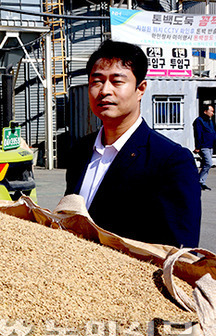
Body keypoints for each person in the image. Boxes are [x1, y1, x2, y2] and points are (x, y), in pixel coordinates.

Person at [65, 40, 201, 248]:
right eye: (97, 81)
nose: (104, 91)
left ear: (141, 89)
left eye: (117, 81)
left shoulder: (170, 160)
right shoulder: (81, 151)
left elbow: (181, 252)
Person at [193, 104, 215, 191]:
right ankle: (198, 181)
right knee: (209, 163)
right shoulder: (199, 121)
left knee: (206, 164)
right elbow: (198, 134)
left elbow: (212, 133)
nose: (213, 113)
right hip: (204, 146)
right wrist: (198, 146)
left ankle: (202, 182)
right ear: (205, 111)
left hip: (210, 146)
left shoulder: (209, 121)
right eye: (211, 111)